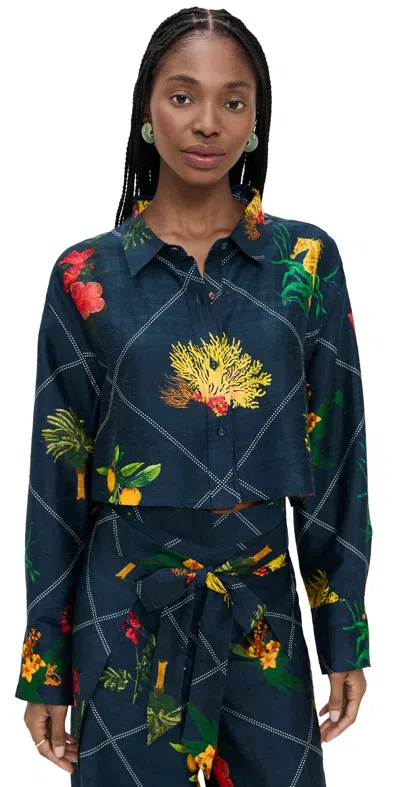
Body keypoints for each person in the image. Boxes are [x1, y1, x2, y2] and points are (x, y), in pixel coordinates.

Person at [15, 6, 372, 786]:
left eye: (232, 101)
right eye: (183, 96)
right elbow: (56, 481)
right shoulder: (84, 276)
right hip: (123, 619)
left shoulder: (307, 263)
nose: (207, 122)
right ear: (147, 111)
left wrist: (342, 632)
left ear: (256, 120)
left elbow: (337, 458)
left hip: (263, 623)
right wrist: (45, 660)